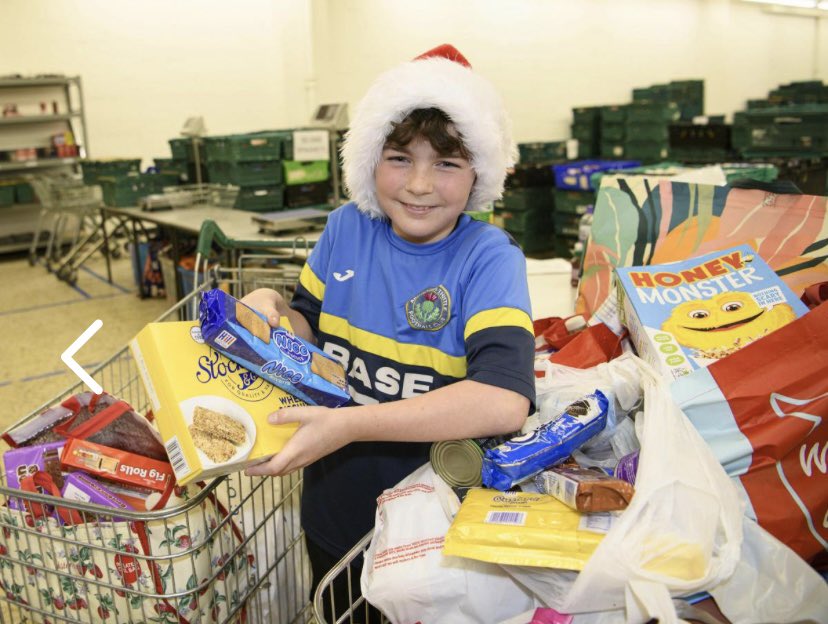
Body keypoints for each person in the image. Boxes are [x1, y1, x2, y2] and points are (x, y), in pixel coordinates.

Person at [242, 43, 536, 618]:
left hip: (432, 531)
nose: (420, 185)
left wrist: (350, 425)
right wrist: (273, 307)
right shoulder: (345, 229)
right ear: (369, 157)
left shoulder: (488, 257)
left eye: (446, 163)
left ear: (479, 171)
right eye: (400, 158)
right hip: (333, 509)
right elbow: (310, 326)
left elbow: (503, 401)